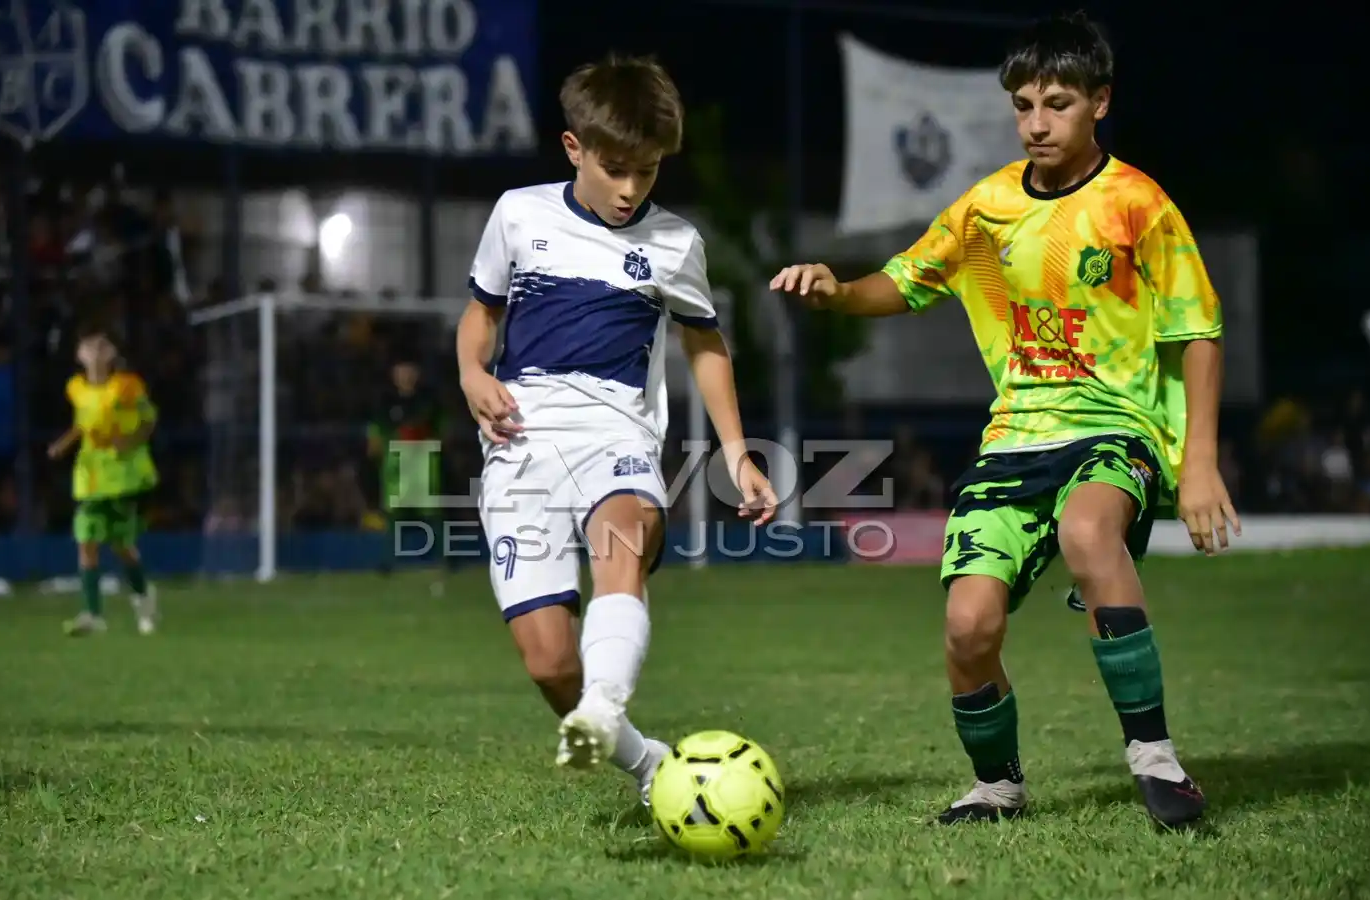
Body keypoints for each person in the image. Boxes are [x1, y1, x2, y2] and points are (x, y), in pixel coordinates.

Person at [769, 12, 1239, 828]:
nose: (1036, 122)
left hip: (1112, 428)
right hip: (1015, 440)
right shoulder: (985, 208)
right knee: (967, 624)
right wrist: (840, 291)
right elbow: (907, 279)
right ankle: (998, 785)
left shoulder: (1137, 204)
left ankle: (1157, 761)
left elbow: (1197, 332)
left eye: (1056, 103)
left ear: (1101, 102)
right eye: (1023, 104)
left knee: (1089, 537)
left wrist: (1197, 463)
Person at [458, 54, 777, 806]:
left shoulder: (674, 244)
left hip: (617, 435)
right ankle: (643, 760)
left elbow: (704, 341)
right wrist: (473, 374)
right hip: (518, 442)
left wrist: (737, 452)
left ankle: (603, 704)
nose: (631, 188)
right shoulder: (518, 213)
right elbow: (481, 313)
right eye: (615, 168)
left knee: (620, 541)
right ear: (574, 149)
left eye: (649, 171)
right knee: (547, 665)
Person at [48, 331, 160, 636]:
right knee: (86, 539)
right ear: (79, 356)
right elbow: (83, 423)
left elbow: (149, 420)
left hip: (122, 476)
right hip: (90, 475)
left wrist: (130, 440)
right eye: (88, 345)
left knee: (122, 545)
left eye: (102, 345)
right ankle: (92, 614)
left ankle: (143, 598)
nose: (95, 349)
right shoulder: (76, 388)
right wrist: (65, 442)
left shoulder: (127, 386)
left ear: (111, 355)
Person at [367, 355, 453, 588]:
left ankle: (445, 559)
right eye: (401, 370)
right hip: (396, 459)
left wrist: (439, 444)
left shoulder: (428, 399)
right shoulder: (385, 400)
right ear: (393, 374)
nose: (405, 375)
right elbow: (375, 429)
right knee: (394, 513)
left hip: (424, 458)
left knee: (432, 511)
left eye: (409, 369)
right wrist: (376, 444)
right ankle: (388, 562)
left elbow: (442, 427)